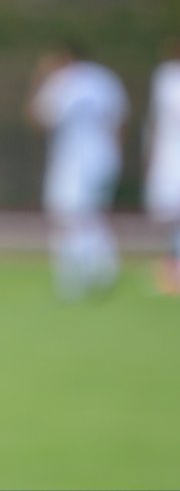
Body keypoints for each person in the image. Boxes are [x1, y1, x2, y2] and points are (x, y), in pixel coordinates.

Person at [27, 43, 128, 300]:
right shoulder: (104, 78)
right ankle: (104, 268)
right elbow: (119, 120)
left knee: (66, 216)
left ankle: (75, 276)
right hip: (104, 156)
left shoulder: (61, 81)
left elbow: (40, 119)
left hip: (73, 160)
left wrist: (39, 81)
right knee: (92, 215)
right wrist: (116, 158)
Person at [143, 37, 180, 295]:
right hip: (170, 154)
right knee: (170, 214)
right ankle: (172, 266)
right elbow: (156, 118)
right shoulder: (167, 76)